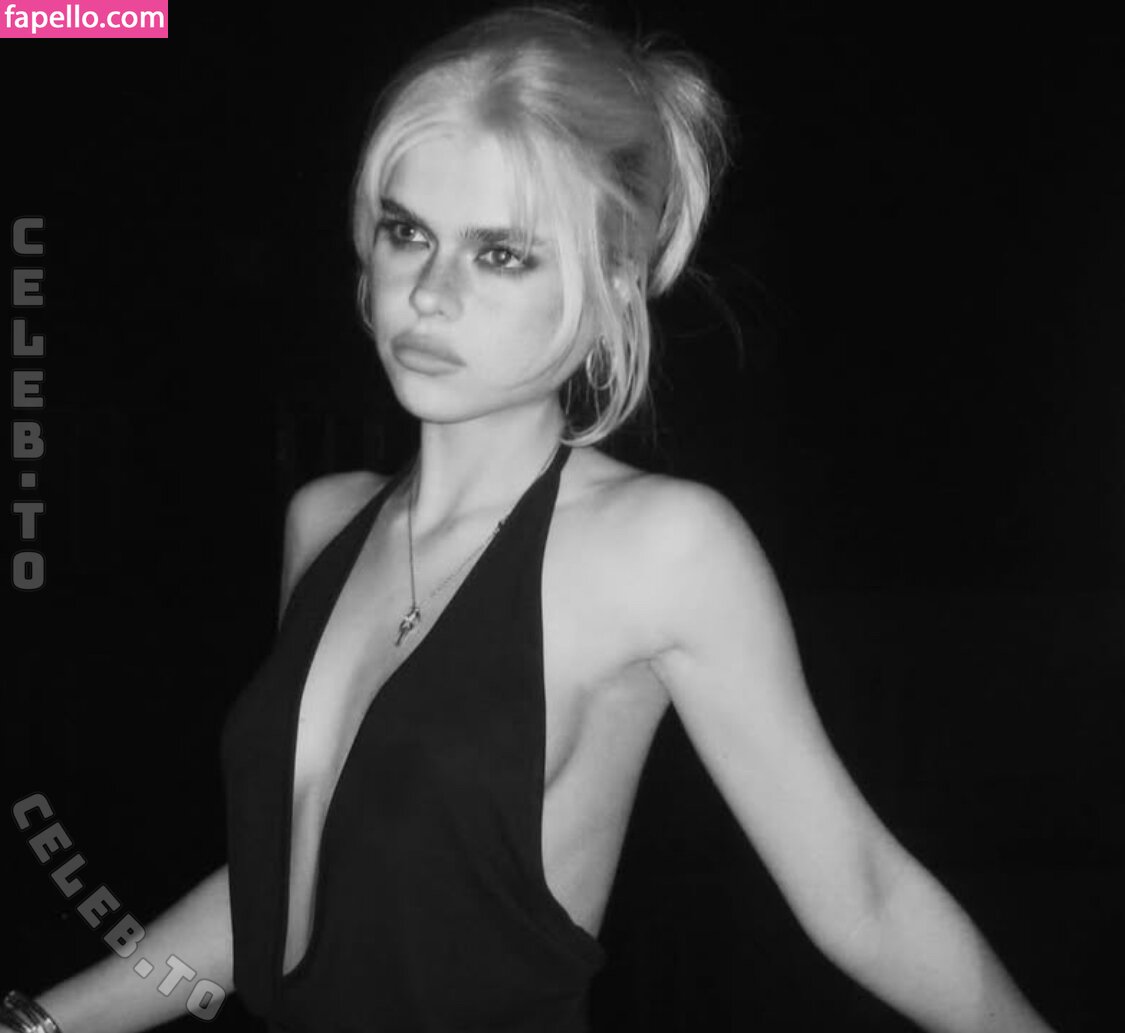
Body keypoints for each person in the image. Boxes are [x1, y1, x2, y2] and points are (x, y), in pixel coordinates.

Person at [8, 4, 1059, 1032]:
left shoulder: (660, 548)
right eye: (408, 233)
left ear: (611, 284)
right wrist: (42, 1021)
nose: (430, 291)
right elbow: (283, 892)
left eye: (500, 253)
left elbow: (865, 891)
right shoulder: (321, 522)